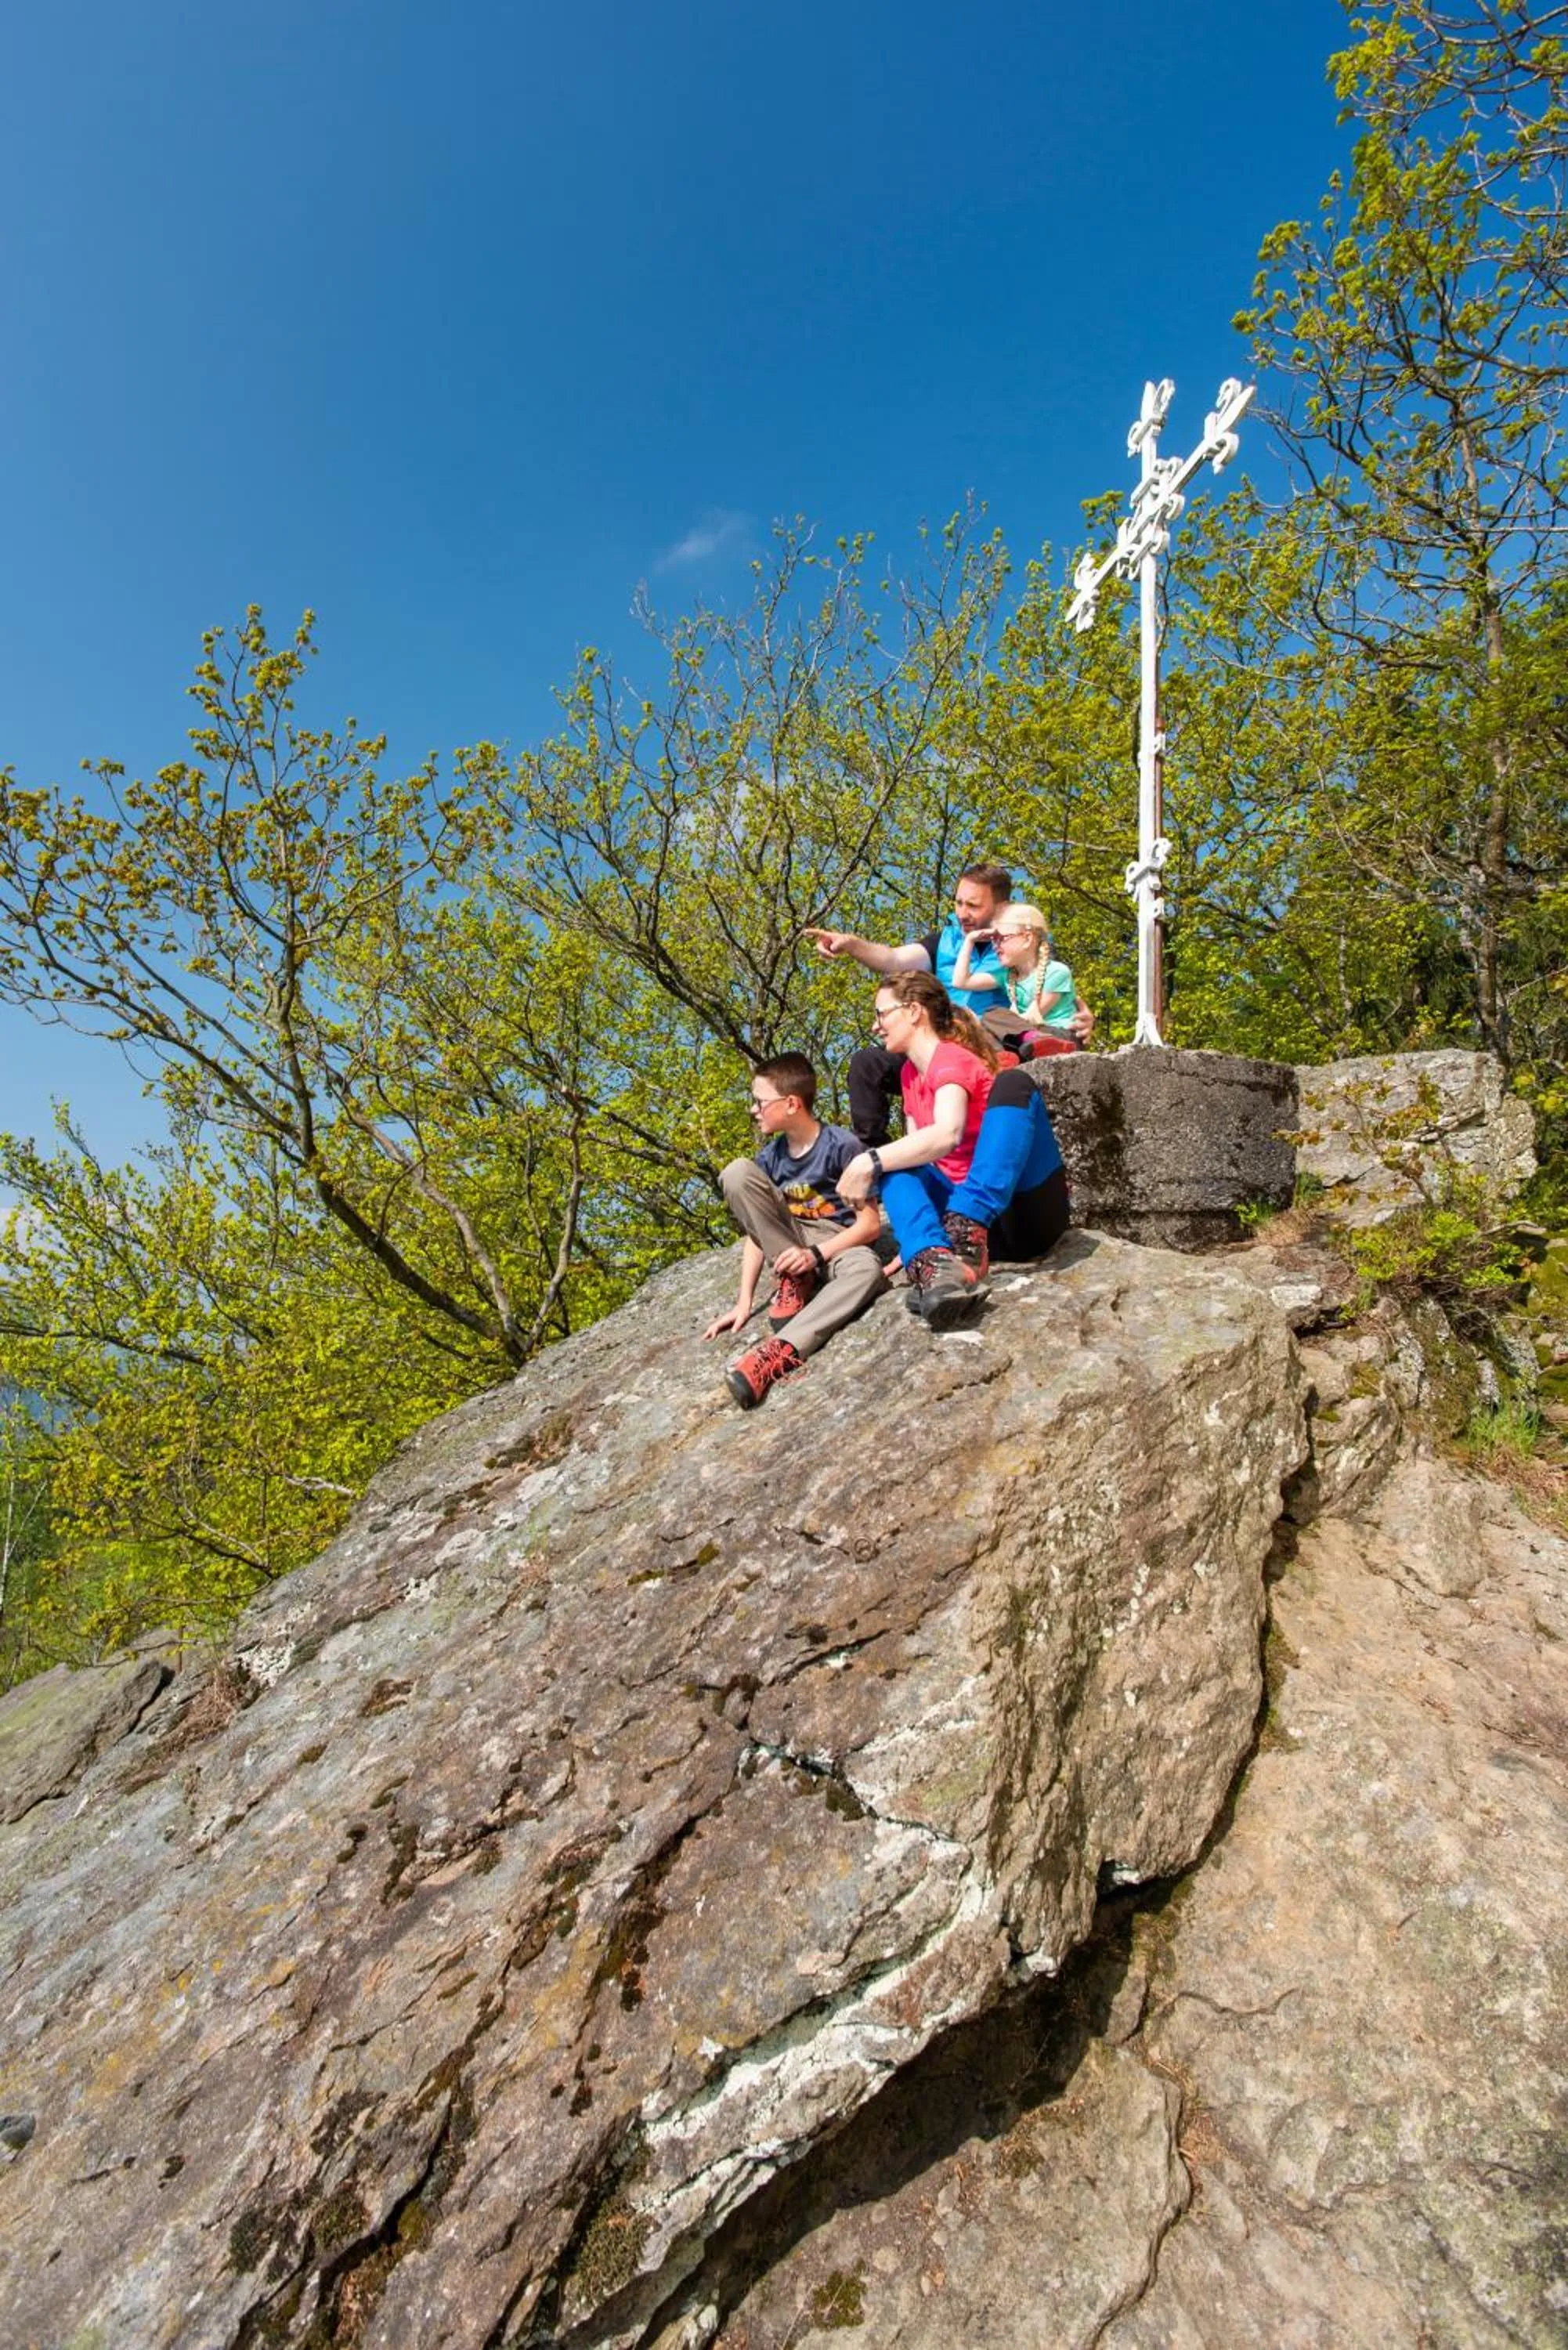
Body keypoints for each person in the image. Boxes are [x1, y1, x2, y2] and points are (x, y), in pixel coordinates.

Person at [837, 973, 1071, 1326]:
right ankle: (933, 1265)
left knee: (1015, 1083)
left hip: (1023, 1215)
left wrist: (866, 1160)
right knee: (897, 1163)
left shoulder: (951, 1059)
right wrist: (914, 1236)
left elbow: (948, 1133)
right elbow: (920, 1155)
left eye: (882, 1014)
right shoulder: (909, 1077)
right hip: (968, 1241)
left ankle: (967, 1226)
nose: (876, 1026)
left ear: (914, 1011)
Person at [805, 864, 1091, 1145]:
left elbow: (1051, 990)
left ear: (1001, 907)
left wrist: (1083, 1019)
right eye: (958, 903)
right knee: (868, 1064)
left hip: (986, 1049)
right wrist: (850, 944)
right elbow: (893, 961)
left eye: (973, 906)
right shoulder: (944, 941)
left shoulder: (1015, 948)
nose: (962, 913)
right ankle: (875, 1159)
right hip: (938, 1045)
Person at [704, 1052, 888, 1408]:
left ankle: (775, 1354)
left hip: (837, 1243)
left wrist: (816, 1255)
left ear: (791, 1103)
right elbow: (758, 1234)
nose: (754, 1110)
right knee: (736, 1172)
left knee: (868, 1271)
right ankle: (794, 1280)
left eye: (760, 1102)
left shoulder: (842, 1146)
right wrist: (744, 1301)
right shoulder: (769, 1159)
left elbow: (870, 1224)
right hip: (793, 1238)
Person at [957, 902, 1080, 1057]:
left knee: (992, 1017)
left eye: (1001, 938)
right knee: (990, 1018)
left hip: (1060, 1036)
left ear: (1028, 938)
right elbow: (961, 982)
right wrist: (970, 940)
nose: (995, 946)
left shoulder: (1057, 972)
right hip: (1027, 1039)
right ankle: (1004, 1057)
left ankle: (1030, 1043)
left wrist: (985, 1025)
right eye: (993, 940)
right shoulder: (1007, 976)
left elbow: (1031, 1019)